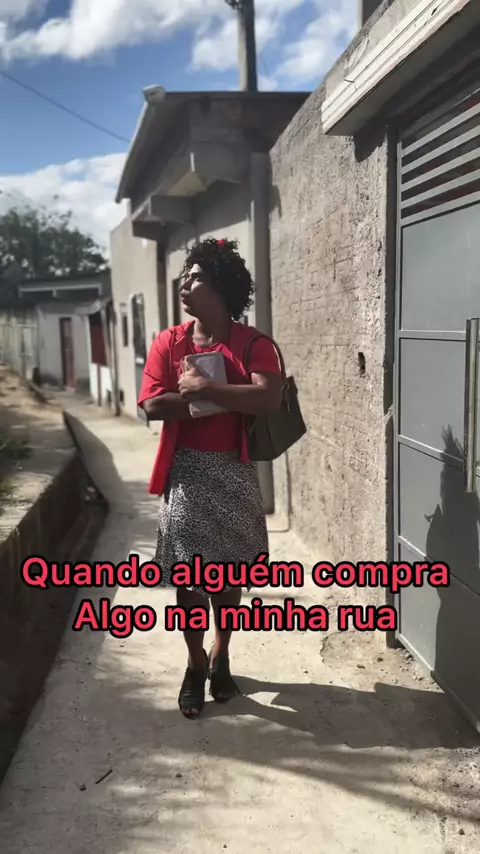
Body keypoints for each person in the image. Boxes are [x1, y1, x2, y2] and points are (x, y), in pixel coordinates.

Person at [138, 237, 283, 719]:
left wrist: (204, 388)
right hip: (187, 473)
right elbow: (153, 405)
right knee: (190, 578)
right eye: (185, 275)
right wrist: (225, 398)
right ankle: (195, 662)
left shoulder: (253, 343)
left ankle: (221, 653)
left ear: (221, 286)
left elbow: (269, 399)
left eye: (196, 276)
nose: (185, 283)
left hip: (234, 472)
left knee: (230, 573)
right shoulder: (169, 342)